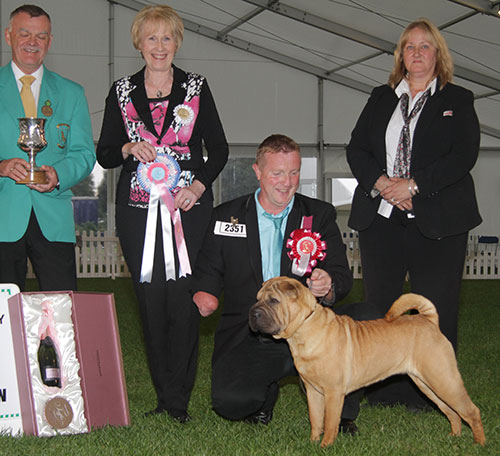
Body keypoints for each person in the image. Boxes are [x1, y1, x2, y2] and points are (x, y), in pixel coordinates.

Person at [96, 5, 228, 423]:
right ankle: (162, 394)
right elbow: (104, 151)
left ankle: (180, 400)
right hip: (137, 213)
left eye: (167, 38)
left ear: (177, 42)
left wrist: (196, 186)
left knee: (182, 302)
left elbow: (219, 149)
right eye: (151, 38)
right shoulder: (120, 92)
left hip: (188, 209)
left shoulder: (196, 88)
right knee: (150, 302)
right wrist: (127, 148)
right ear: (139, 43)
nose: (159, 46)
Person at [193, 134, 375, 435]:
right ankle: (264, 396)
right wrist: (204, 293)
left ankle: (340, 411)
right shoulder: (226, 217)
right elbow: (209, 269)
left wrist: (328, 284)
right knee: (230, 403)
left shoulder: (320, 215)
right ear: (258, 172)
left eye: (293, 173)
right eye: (277, 173)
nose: (286, 182)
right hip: (254, 331)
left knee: (367, 315)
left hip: (311, 331)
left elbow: (341, 276)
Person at [346, 18, 481, 411]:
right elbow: (356, 150)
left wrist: (414, 185)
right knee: (381, 308)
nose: (417, 53)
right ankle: (384, 391)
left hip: (438, 220)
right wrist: (384, 182)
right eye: (410, 47)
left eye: (425, 46)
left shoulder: (458, 100)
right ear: (400, 57)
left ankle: (435, 392)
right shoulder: (380, 97)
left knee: (435, 308)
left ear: (438, 55)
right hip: (381, 219)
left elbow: (463, 157)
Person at [0, 5, 95, 292]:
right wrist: (1, 166)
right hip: (4, 217)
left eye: (41, 36)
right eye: (24, 34)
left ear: (50, 42)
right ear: (8, 36)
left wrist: (58, 175)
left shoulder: (72, 93)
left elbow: (84, 154)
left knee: (61, 313)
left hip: (53, 219)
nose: (32, 42)